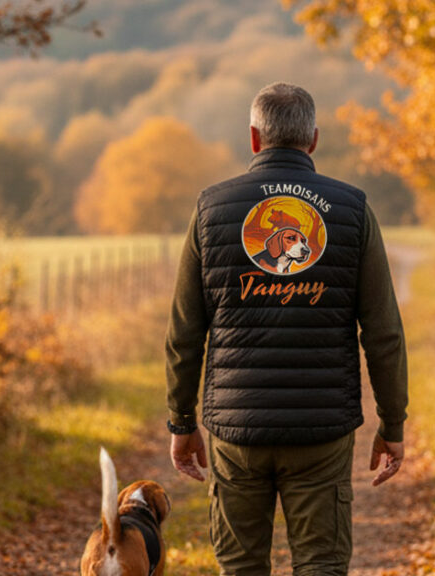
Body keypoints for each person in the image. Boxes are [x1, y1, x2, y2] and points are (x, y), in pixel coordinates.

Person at [165, 82, 408, 576]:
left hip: (237, 432)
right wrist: (393, 423)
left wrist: (181, 421)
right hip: (321, 429)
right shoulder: (353, 209)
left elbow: (186, 331)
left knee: (241, 566)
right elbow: (383, 332)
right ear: (313, 139)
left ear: (254, 139)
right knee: (321, 564)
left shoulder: (211, 209)